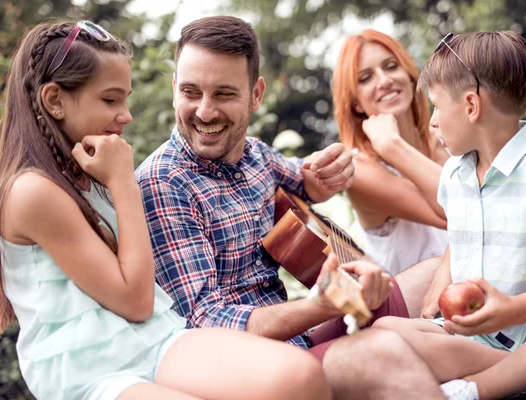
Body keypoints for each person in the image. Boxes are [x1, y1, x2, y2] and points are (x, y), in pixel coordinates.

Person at [0, 20, 333, 400]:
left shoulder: (91, 173)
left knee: (300, 376)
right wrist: (124, 184)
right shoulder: (32, 192)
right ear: (54, 100)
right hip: (92, 370)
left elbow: (300, 179)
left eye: (125, 99)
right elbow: (137, 300)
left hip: (155, 340)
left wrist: (320, 174)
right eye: (110, 100)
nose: (126, 115)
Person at [136, 16, 445, 400]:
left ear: (256, 95)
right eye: (191, 92)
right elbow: (206, 322)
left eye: (225, 94)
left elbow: (305, 179)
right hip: (255, 373)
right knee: (386, 348)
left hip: (298, 340)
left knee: (432, 278)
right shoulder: (164, 182)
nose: (204, 112)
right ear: (173, 89)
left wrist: (328, 170)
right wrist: (321, 306)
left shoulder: (253, 155)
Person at [369, 30, 526, 391]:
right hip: (476, 341)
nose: (431, 121)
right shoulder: (454, 176)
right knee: (384, 332)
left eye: (436, 106)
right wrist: (446, 275)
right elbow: (466, 233)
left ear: (472, 107)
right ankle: (525, 376)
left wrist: (513, 310)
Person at [332, 29, 449, 276]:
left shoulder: (450, 139)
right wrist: (389, 146)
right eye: (365, 78)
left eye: (390, 66)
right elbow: (459, 211)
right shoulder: (359, 170)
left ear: (409, 74)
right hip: (417, 307)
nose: (383, 81)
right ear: (355, 103)